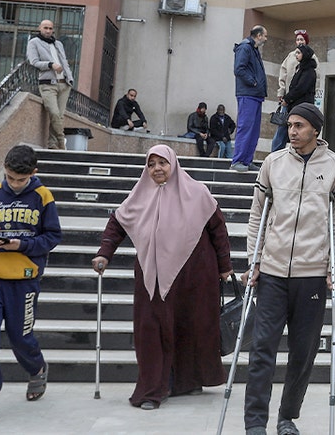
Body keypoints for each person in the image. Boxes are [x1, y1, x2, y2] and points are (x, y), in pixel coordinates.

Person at [92, 144, 232, 410]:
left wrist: (225, 267)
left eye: (162, 163)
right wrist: (104, 254)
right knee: (151, 330)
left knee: (187, 327)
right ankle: (151, 390)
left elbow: (218, 230)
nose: (157, 168)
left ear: (173, 164)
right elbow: (117, 223)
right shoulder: (139, 196)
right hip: (152, 276)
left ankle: (186, 381)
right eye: (151, 164)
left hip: (194, 276)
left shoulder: (197, 192)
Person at [244, 103, 335, 435]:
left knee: (302, 354)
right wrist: (254, 261)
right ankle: (255, 422)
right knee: (262, 349)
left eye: (300, 125)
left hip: (313, 274)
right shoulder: (273, 162)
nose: (292, 131)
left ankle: (287, 417)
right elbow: (256, 215)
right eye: (290, 125)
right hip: (273, 273)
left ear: (316, 130)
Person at [0, 145, 63, 427]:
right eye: (10, 177)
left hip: (25, 280)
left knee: (20, 337)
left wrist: (23, 245)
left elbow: (53, 237)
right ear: (4, 169)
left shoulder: (43, 196)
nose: (14, 184)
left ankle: (37, 367)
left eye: (21, 179)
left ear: (34, 173)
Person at [26, 19, 74, 149]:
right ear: (39, 28)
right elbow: (34, 62)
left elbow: (64, 61)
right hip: (48, 84)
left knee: (60, 116)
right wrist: (50, 65)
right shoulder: (34, 43)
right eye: (45, 28)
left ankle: (52, 144)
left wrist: (69, 77)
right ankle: (61, 139)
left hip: (64, 84)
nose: (48, 31)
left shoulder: (58, 44)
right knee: (53, 112)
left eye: (50, 28)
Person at [233, 25, 269, 172]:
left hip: (255, 95)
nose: (266, 39)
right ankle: (237, 161)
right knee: (245, 127)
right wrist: (253, 82)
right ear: (259, 35)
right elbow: (238, 69)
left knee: (253, 130)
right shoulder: (245, 47)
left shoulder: (253, 49)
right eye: (265, 36)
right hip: (248, 94)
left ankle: (247, 161)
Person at [271, 44, 317, 156]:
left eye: (299, 53)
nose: (296, 55)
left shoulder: (309, 71)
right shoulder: (300, 68)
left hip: (299, 107)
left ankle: (277, 155)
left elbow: (300, 88)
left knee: (292, 132)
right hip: (293, 104)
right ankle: (276, 155)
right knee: (283, 131)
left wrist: (287, 98)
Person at [272, 29, 308, 152]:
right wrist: (281, 92)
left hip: (301, 100)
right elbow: (283, 74)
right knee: (282, 127)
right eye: (297, 39)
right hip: (287, 99)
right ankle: (275, 154)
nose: (299, 42)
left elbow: (315, 80)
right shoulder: (290, 56)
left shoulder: (311, 57)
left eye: (302, 39)